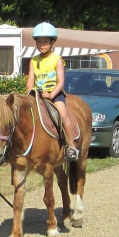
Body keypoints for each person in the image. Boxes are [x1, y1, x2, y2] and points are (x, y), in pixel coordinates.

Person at [26, 22, 79, 162]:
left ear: (52, 42)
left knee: (62, 115)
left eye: (45, 42)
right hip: (37, 94)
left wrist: (51, 94)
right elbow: (30, 79)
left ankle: (71, 145)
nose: (42, 45)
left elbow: (61, 81)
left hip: (54, 94)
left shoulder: (57, 59)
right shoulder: (33, 60)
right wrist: (29, 92)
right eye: (39, 42)